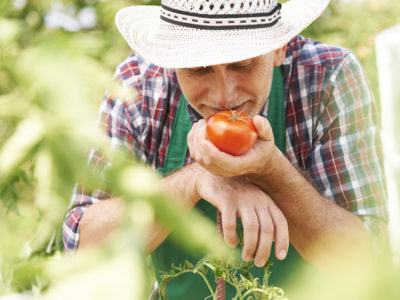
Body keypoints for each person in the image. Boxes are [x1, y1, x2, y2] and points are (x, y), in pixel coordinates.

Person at [63, 0, 388, 298]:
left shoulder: (326, 77)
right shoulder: (140, 86)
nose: (224, 96)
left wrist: (271, 171)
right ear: (173, 63)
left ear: (279, 48)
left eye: (242, 65)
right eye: (199, 69)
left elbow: (364, 259)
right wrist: (195, 181)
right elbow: (82, 246)